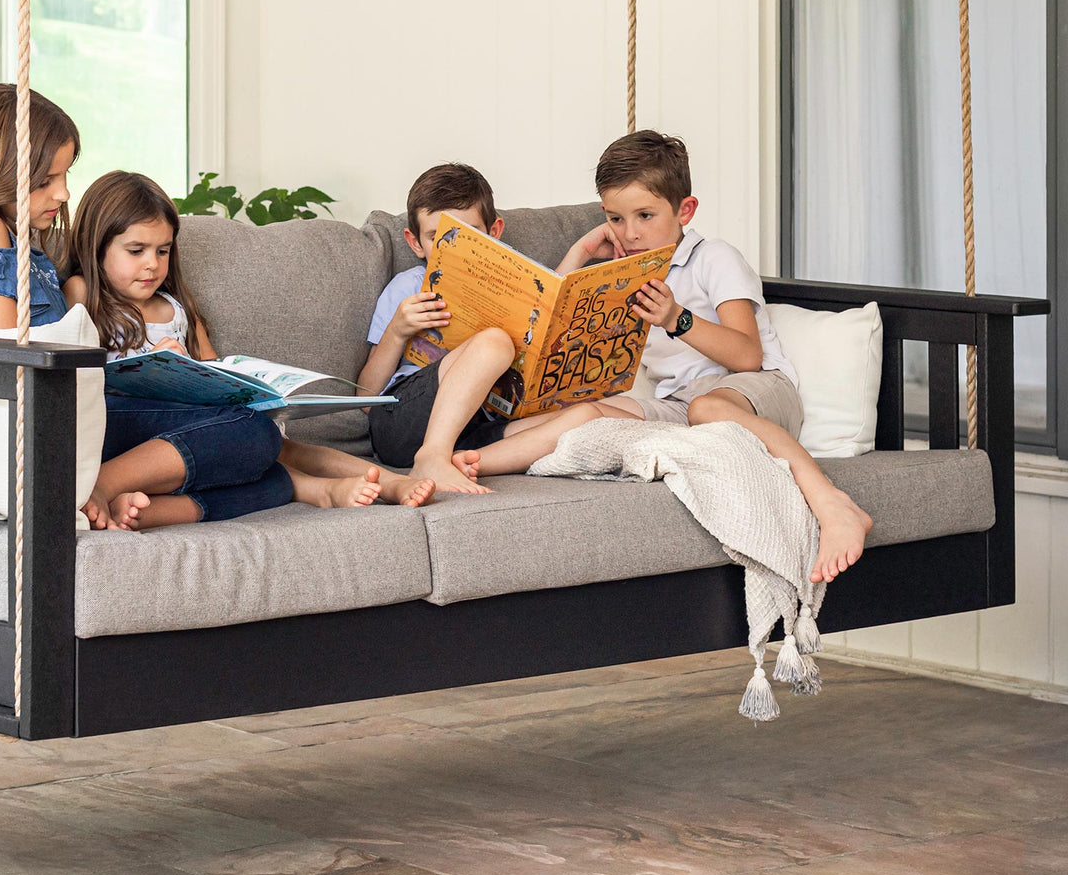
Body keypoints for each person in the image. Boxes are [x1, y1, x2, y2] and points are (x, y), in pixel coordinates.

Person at [465, 130, 872, 584]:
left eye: (645, 215)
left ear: (685, 210)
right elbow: (542, 327)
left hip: (755, 392)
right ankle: (471, 461)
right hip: (681, 405)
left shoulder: (713, 258)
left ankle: (833, 504)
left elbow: (747, 355)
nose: (630, 233)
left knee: (707, 408)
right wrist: (580, 254)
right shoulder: (623, 273)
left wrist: (677, 318)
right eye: (616, 219)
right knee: (585, 414)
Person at [0, 84, 290, 531]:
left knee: (275, 481)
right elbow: (7, 354)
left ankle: (133, 505)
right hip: (50, 418)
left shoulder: (25, 247)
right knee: (253, 431)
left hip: (79, 409)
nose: (63, 194)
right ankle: (97, 485)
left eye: (65, 176)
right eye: (45, 181)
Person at [62, 169, 436, 529]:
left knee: (269, 468)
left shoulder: (177, 306)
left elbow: (215, 371)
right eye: (136, 250)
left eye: (163, 251)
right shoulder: (83, 294)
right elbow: (78, 382)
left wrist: (192, 371)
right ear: (97, 247)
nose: (152, 264)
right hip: (135, 434)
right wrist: (151, 367)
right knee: (257, 436)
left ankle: (143, 510)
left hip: (197, 431)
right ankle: (108, 485)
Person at [359, 163, 521, 494]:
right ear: (415, 242)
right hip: (401, 422)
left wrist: (579, 254)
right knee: (494, 342)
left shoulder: (514, 286)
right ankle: (431, 457)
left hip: (475, 428)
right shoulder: (409, 287)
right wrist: (397, 331)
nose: (456, 248)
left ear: (494, 231)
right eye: (438, 237)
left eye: (469, 234)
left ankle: (463, 462)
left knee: (589, 415)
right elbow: (365, 399)